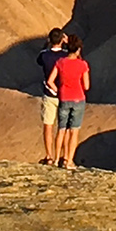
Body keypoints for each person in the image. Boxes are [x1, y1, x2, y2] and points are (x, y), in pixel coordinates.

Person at [46, 34, 90, 169]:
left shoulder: (60, 62)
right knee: (74, 131)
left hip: (64, 98)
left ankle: (55, 158)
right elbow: (87, 86)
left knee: (61, 129)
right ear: (78, 50)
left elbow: (50, 81)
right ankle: (68, 160)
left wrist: (59, 91)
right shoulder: (82, 65)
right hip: (78, 98)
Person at [35, 27, 68, 165]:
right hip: (64, 94)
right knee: (64, 127)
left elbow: (39, 60)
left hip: (49, 94)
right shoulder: (66, 55)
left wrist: (47, 44)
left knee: (48, 126)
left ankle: (49, 156)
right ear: (61, 40)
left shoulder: (44, 55)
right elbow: (77, 57)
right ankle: (63, 156)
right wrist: (67, 43)